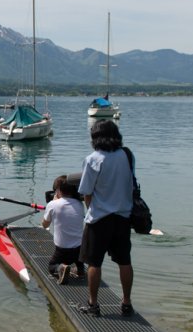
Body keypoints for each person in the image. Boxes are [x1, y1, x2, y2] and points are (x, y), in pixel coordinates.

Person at [77, 119, 135, 318]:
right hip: (123, 216)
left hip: (100, 218)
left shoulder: (93, 159)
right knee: (124, 261)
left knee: (94, 263)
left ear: (95, 137)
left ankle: (93, 305)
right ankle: (126, 303)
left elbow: (86, 192)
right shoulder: (127, 155)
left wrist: (91, 210)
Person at [41, 175, 85, 285]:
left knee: (51, 266)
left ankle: (60, 268)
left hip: (62, 250)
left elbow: (44, 224)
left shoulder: (53, 204)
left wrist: (52, 203)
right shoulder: (80, 204)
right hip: (79, 249)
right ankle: (80, 269)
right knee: (78, 260)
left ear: (59, 190)